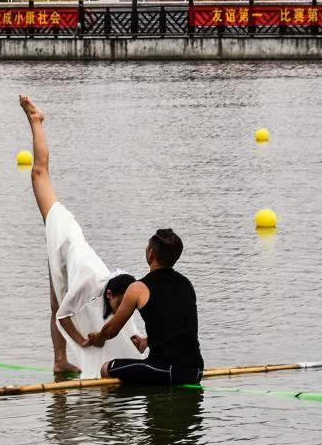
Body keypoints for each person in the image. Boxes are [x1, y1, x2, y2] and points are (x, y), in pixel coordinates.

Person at [20, 94, 145, 377]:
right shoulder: (87, 282)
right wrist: (83, 342)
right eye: (118, 304)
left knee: (54, 301)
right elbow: (64, 317)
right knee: (39, 173)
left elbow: (122, 314)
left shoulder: (116, 287)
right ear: (109, 293)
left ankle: (59, 361)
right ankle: (36, 121)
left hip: (69, 256)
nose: (121, 311)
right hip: (64, 236)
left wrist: (138, 338)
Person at [86, 229, 204, 386]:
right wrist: (147, 342)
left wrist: (98, 338)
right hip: (196, 370)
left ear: (151, 254)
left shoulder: (138, 288)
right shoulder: (186, 284)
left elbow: (111, 330)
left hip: (165, 370)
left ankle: (117, 408)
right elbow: (181, 329)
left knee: (106, 368)